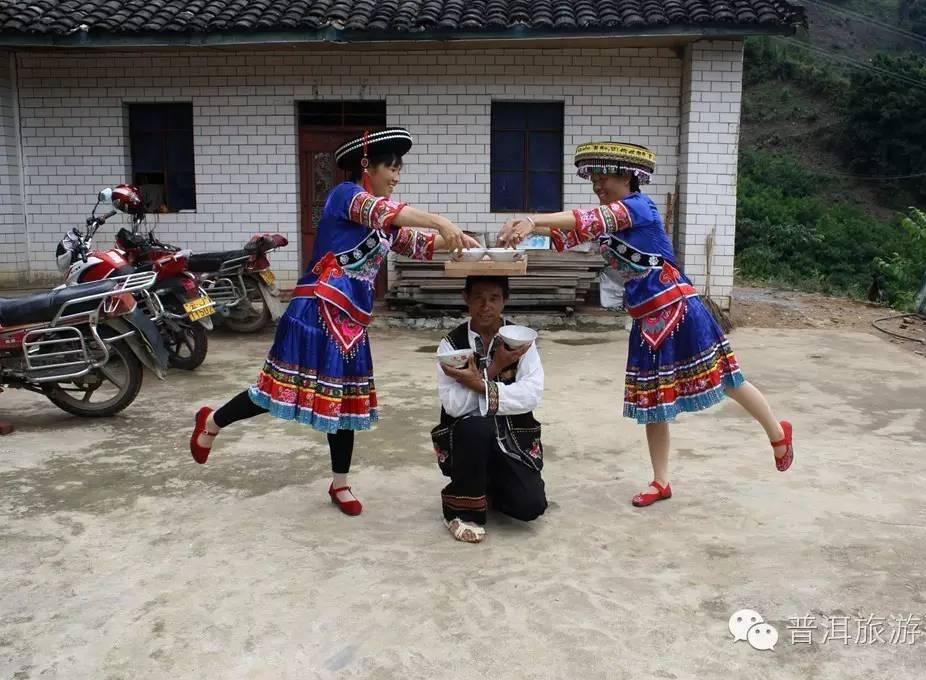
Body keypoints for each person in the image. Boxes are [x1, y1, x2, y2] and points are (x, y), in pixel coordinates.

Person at [189, 127, 478, 516]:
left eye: (399, 169)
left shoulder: (385, 223)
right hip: (315, 310)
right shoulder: (345, 196)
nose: (396, 176)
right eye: (391, 168)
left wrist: (462, 240)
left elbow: (420, 243)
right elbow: (384, 211)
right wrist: (440, 220)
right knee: (277, 390)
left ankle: (339, 483)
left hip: (351, 323)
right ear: (367, 166)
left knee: (344, 403)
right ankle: (212, 422)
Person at [497, 141, 794, 507]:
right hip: (646, 320)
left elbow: (585, 219)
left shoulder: (638, 208)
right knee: (654, 401)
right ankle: (661, 481)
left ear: (628, 177)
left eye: (604, 178)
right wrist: (520, 234)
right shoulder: (609, 221)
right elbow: (565, 235)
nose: (598, 185)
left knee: (727, 379)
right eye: (594, 179)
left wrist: (533, 219)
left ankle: (777, 433)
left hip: (679, 309)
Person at [431, 276, 547, 543]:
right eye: (478, 298)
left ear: (505, 300)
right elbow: (454, 405)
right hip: (467, 441)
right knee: (476, 426)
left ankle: (487, 486)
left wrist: (475, 384)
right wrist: (493, 369)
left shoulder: (521, 341)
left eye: (494, 298)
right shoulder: (451, 345)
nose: (486, 306)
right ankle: (460, 511)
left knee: (530, 507)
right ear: (466, 299)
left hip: (511, 439)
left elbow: (531, 394)